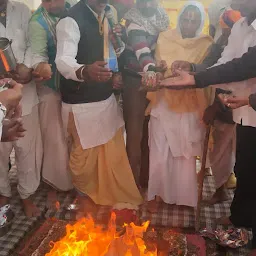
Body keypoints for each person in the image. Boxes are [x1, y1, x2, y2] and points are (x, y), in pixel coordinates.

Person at [162, 0, 256, 254]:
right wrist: (194, 70)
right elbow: (225, 60)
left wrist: (195, 78)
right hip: (246, 111)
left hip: (252, 104)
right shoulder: (239, 25)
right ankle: (241, 219)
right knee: (246, 167)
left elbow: (246, 65)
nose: (232, 2)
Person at [55, 0, 142, 211]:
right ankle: (86, 202)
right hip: (81, 102)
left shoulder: (107, 13)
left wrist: (115, 63)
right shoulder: (70, 20)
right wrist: (85, 71)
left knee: (110, 152)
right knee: (83, 159)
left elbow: (112, 49)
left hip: (105, 98)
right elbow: (62, 60)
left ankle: (107, 202)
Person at [145, 1, 213, 212]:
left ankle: (184, 198)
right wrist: (161, 68)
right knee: (159, 149)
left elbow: (207, 72)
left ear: (200, 22)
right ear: (180, 18)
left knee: (184, 153)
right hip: (164, 100)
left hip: (190, 102)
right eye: (186, 18)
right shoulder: (165, 37)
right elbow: (156, 65)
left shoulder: (206, 43)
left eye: (194, 20)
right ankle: (156, 194)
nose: (189, 23)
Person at [170, 9, 242, 205]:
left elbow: (233, 73)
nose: (226, 32)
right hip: (226, 108)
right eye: (224, 29)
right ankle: (223, 191)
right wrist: (191, 67)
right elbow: (212, 66)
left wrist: (216, 106)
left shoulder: (245, 41)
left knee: (238, 157)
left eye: (229, 28)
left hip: (240, 107)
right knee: (221, 154)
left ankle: (237, 203)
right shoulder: (220, 44)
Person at [28, 0, 75, 208]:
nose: (59, 3)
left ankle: (76, 180)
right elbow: (38, 54)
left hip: (75, 88)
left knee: (73, 135)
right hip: (50, 88)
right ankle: (53, 185)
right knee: (54, 138)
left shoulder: (71, 8)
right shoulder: (37, 23)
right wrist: (40, 66)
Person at [0, 0, 43, 217]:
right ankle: (3, 193)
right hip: (0, 94)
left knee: (27, 148)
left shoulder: (23, 10)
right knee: (0, 152)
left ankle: (27, 195)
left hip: (25, 91)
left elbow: (34, 45)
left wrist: (26, 68)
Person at [122, 0, 169, 187]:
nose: (148, 5)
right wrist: (152, 69)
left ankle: (148, 181)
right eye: (144, 1)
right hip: (136, 82)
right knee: (135, 135)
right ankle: (131, 186)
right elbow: (142, 51)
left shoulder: (161, 18)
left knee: (151, 134)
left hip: (156, 83)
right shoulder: (133, 21)